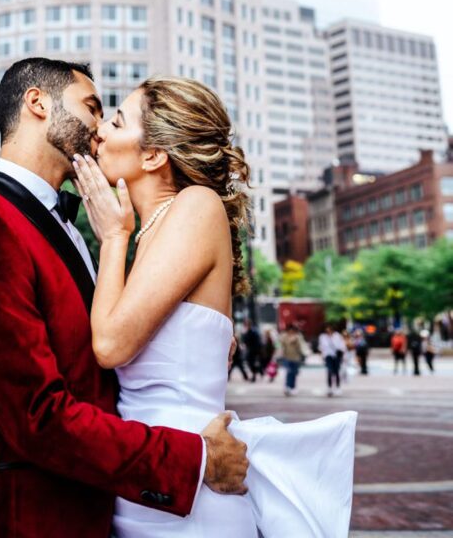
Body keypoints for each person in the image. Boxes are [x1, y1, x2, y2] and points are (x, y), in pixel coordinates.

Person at [0, 59, 248, 537]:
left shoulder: (88, 228)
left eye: (112, 118)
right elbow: (36, 417)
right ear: (37, 103)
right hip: (18, 520)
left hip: (112, 504)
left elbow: (98, 358)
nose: (99, 127)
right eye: (94, 109)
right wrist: (190, 458)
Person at [74, 76, 356, 536]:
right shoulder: (151, 230)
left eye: (118, 121)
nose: (101, 130)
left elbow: (109, 344)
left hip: (196, 491)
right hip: (150, 477)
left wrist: (112, 237)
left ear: (154, 154)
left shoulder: (195, 206)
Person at [278, 322, 304, 396]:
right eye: (290, 330)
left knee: (294, 373)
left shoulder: (298, 337)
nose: (291, 332)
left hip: (296, 357)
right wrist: (280, 351)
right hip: (286, 357)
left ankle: (293, 387)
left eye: (293, 330)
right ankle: (287, 387)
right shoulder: (284, 336)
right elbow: (279, 344)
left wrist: (296, 341)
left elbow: (301, 346)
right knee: (289, 372)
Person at [319, 324, 341, 396]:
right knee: (329, 371)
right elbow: (321, 347)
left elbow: (339, 346)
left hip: (336, 355)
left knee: (336, 371)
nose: (328, 331)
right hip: (328, 355)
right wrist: (322, 355)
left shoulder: (337, 336)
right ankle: (329, 387)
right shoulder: (323, 337)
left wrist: (331, 339)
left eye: (329, 329)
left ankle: (337, 387)